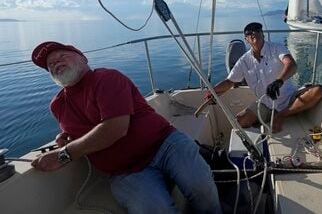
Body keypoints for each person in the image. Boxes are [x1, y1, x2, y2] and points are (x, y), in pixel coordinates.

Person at [30, 41, 221, 214]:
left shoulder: (106, 78)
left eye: (61, 55)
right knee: (154, 210)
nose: (55, 63)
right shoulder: (57, 106)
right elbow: (81, 130)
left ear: (83, 58)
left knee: (200, 186)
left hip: (164, 144)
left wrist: (64, 154)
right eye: (50, 64)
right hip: (125, 171)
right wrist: (66, 137)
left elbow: (115, 128)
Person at [206, 22, 322, 133]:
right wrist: (213, 93)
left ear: (263, 34)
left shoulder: (276, 48)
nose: (253, 33)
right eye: (249, 32)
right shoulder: (244, 61)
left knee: (319, 90)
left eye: (257, 30)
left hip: (289, 99)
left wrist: (279, 81)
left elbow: (291, 64)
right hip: (265, 104)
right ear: (246, 39)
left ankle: (282, 115)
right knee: (239, 121)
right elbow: (229, 82)